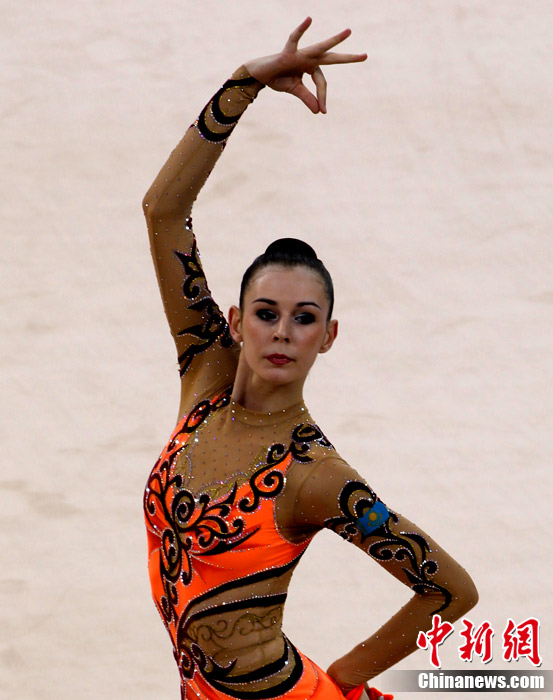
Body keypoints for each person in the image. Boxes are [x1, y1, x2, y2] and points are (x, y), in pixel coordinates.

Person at [142, 17, 478, 700]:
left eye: (304, 319)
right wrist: (244, 82)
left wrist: (340, 681)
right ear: (235, 321)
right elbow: (163, 212)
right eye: (266, 313)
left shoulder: (314, 472)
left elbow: (449, 591)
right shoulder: (204, 372)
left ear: (327, 336)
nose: (282, 333)